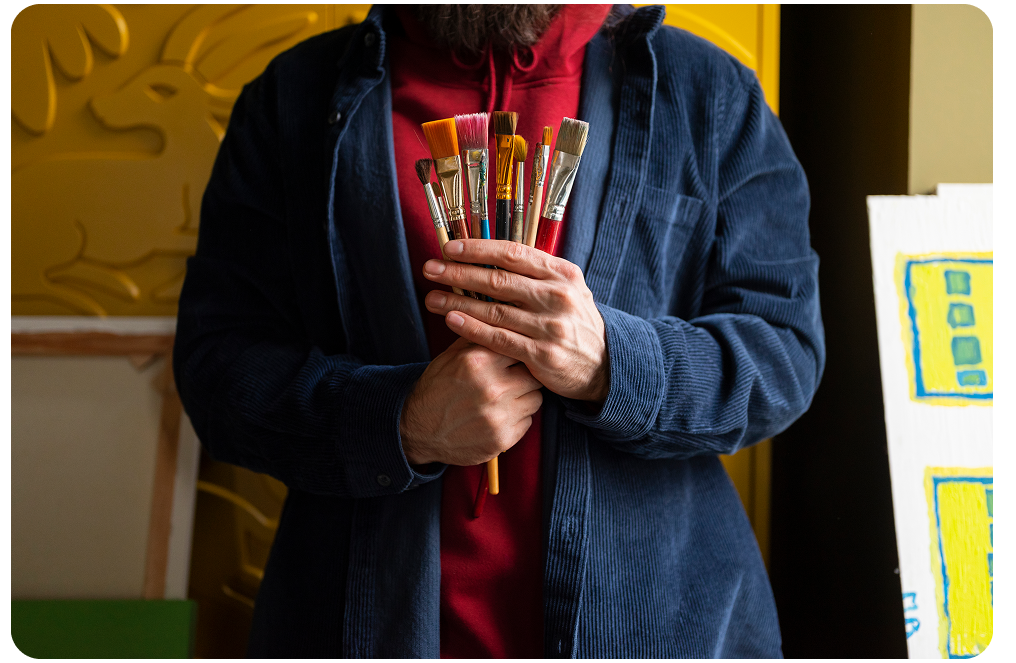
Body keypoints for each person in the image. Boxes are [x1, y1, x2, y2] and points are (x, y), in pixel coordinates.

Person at [173, 3, 825, 658]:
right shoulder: (292, 98)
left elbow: (785, 353)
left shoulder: (712, 93)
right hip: (359, 623)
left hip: (658, 625)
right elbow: (216, 368)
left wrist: (611, 363)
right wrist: (402, 422)